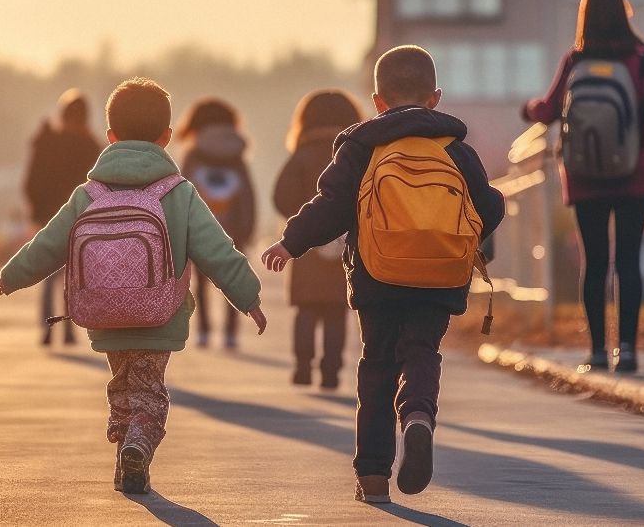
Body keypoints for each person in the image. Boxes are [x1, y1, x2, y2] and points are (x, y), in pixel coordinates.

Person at [0, 77, 267, 494]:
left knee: (122, 385)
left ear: (111, 136)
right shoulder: (179, 194)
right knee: (148, 391)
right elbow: (217, 250)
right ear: (167, 137)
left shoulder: (89, 193)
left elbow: (50, 243)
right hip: (159, 314)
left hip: (104, 312)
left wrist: (12, 276)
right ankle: (137, 443)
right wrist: (249, 297)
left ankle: (125, 454)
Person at [261, 45, 504, 504]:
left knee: (377, 364)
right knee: (421, 349)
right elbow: (488, 208)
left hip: (378, 276)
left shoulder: (362, 146)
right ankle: (417, 415)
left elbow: (330, 206)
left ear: (377, 100)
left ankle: (373, 476)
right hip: (440, 277)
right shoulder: (456, 149)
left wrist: (290, 242)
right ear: (435, 97)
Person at [523, 0, 644, 374]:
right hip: (635, 175)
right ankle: (626, 351)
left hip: (584, 176)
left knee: (594, 263)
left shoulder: (576, 61)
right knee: (629, 260)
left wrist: (528, 109)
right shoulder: (643, 59)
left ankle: (596, 352)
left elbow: (548, 110)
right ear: (625, 14)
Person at [273, 89, 363, 390]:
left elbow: (280, 196)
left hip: (306, 246)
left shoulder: (302, 154)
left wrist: (303, 222)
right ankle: (331, 372)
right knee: (337, 310)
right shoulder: (355, 154)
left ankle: (302, 366)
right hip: (347, 244)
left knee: (307, 309)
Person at [23, 89, 102, 346]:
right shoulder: (92, 147)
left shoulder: (47, 141)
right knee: (74, 274)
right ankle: (68, 327)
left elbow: (31, 181)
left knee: (49, 273)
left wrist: (36, 211)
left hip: (49, 215)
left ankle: (47, 327)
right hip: (82, 216)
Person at [177, 98, 256, 349]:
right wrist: (248, 227)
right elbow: (247, 195)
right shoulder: (237, 156)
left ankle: (204, 330)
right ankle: (231, 333)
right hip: (234, 229)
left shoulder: (193, 154)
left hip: (200, 231)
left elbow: (182, 193)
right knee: (233, 279)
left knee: (200, 281)